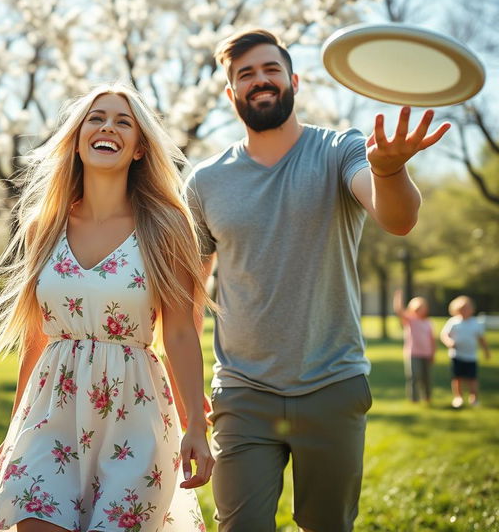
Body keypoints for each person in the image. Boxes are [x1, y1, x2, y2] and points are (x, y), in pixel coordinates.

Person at [184, 28, 450, 532]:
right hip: (242, 391)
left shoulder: (341, 149)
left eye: (270, 70)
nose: (259, 80)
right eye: (245, 74)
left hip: (332, 382)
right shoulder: (205, 181)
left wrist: (390, 170)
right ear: (230, 93)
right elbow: (188, 300)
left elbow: (398, 219)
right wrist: (191, 406)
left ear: (293, 81)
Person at [0, 84, 213, 532]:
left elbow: (179, 333)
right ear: (78, 138)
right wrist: (13, 428)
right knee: (33, 518)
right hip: (51, 410)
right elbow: (36, 336)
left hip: (134, 411)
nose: (107, 128)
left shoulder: (166, 224)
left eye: (123, 122)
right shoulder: (44, 224)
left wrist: (195, 421)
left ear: (139, 149)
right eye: (96, 118)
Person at [440, 295, 490, 409]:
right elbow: (444, 335)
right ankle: (458, 397)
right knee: (457, 378)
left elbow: (481, 339)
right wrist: (449, 342)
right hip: (456, 355)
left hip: (471, 356)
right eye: (461, 309)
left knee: (472, 379)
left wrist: (486, 351)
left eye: (467, 309)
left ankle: (474, 398)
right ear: (456, 310)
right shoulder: (453, 322)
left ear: (472, 309)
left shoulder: (476, 323)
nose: (464, 311)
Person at [393, 289, 435, 404]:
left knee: (426, 378)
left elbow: (432, 340)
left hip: (426, 354)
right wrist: (398, 296)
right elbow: (399, 310)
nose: (419, 311)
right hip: (413, 353)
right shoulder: (410, 320)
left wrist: (433, 353)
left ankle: (427, 397)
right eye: (416, 309)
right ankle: (414, 399)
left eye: (421, 308)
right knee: (414, 377)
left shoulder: (428, 323)